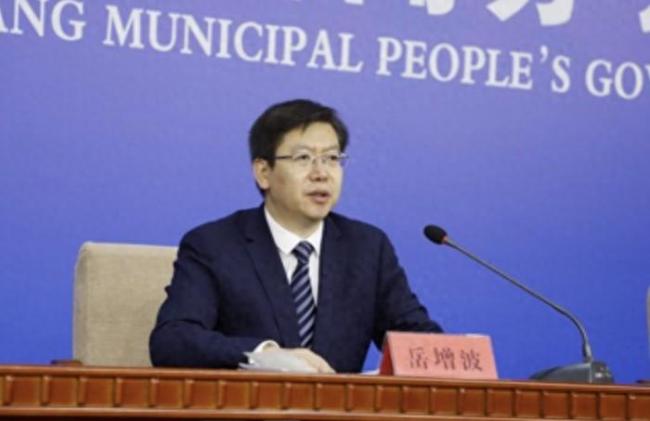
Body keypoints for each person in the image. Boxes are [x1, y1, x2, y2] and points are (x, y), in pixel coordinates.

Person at [149, 99, 442, 373]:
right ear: (263, 172)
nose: (321, 173)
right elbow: (173, 340)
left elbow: (415, 337)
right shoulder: (215, 245)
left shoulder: (367, 248)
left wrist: (454, 352)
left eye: (332, 158)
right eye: (304, 158)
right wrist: (264, 355)